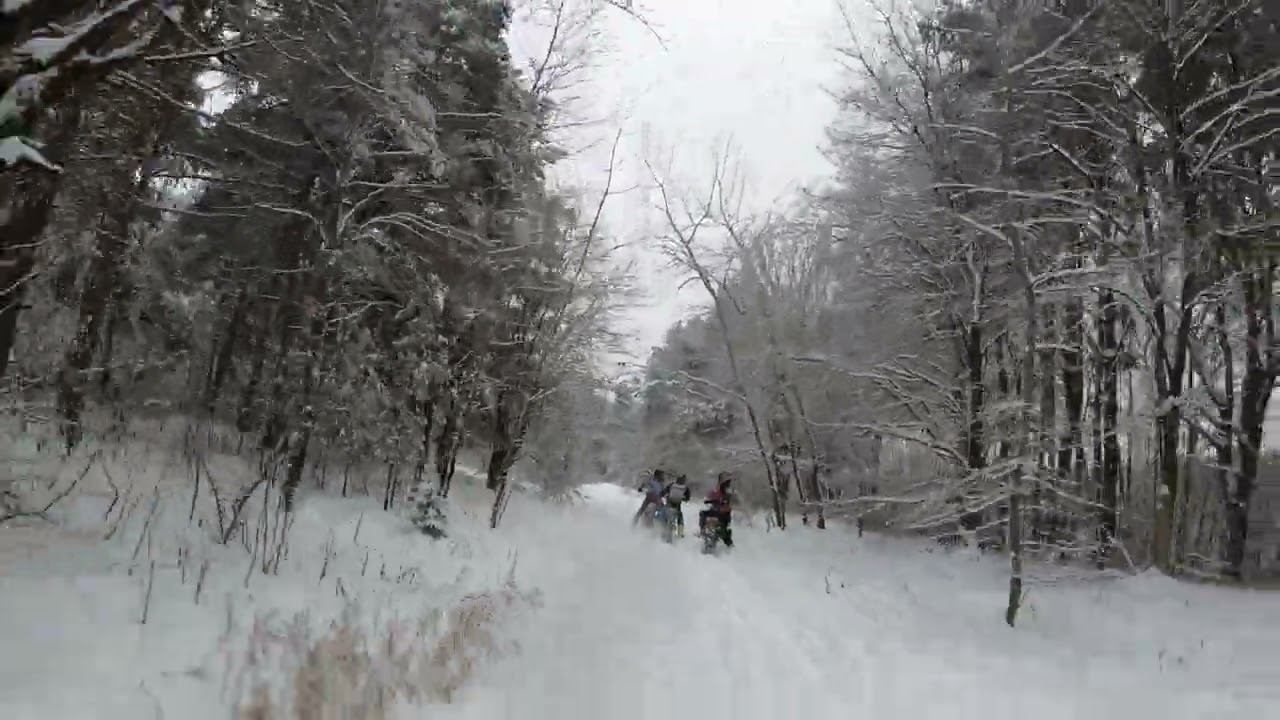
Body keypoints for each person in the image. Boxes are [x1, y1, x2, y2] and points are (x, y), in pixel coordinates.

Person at [699, 472, 735, 547]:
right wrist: (708, 500)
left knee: (723, 529)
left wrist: (724, 502)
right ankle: (702, 530)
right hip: (716, 511)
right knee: (703, 513)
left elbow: (730, 499)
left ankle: (728, 543)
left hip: (724, 513)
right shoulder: (717, 489)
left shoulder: (728, 490)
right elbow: (709, 496)